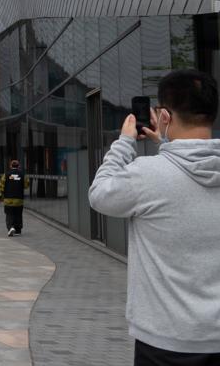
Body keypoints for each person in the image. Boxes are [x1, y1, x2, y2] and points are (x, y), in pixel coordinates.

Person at [89, 69, 220, 365]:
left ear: (164, 117)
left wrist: (124, 142)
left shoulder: (147, 176)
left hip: (165, 341)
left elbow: (99, 194)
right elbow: (192, 169)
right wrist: (168, 146)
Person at [0, 159, 29, 237]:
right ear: (19, 166)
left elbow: (1, 186)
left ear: (10, 166)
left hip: (8, 199)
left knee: (9, 214)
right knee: (18, 214)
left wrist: (0, 196)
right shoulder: (22, 175)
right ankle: (18, 230)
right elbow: (26, 185)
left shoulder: (6, 174)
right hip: (19, 199)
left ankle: (11, 227)